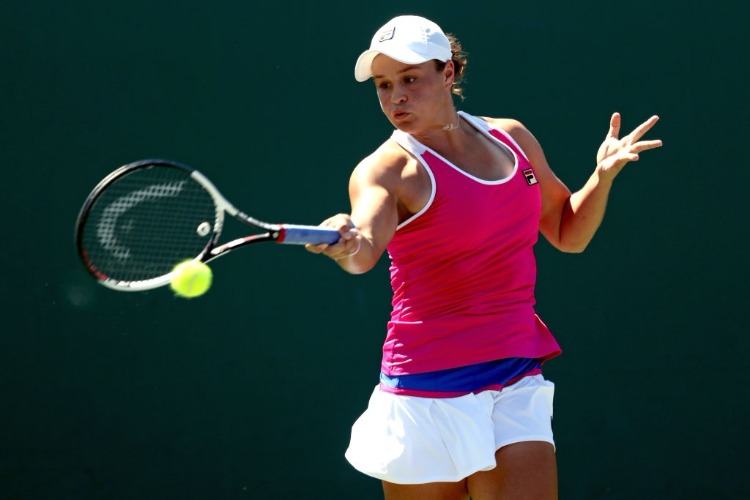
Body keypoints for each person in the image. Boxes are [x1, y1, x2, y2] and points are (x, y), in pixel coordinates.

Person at [306, 14, 662, 500]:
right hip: (422, 392)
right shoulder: (387, 170)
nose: (396, 98)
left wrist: (600, 179)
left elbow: (567, 232)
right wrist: (345, 239)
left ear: (448, 73)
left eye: (410, 79)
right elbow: (364, 249)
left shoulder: (512, 138)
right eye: (384, 86)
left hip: (513, 375)